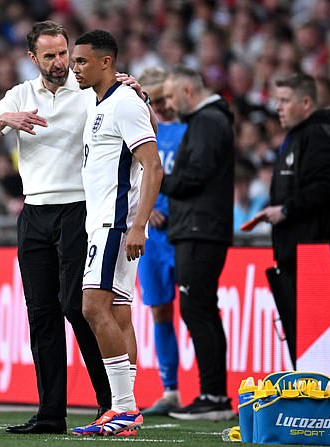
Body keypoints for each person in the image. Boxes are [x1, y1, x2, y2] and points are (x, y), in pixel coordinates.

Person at [0, 21, 111, 435]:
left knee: (75, 307)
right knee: (41, 315)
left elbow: (123, 100)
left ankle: (109, 403)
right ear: (34, 59)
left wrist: (132, 87)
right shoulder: (20, 95)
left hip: (76, 209)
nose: (60, 62)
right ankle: (51, 413)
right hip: (34, 213)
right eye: (50, 55)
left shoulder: (87, 90)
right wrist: (5, 119)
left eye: (63, 53)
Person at [70, 30, 163, 436]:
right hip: (105, 223)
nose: (75, 69)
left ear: (106, 62)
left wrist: (138, 224)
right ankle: (127, 411)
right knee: (120, 313)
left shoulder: (124, 103)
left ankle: (122, 407)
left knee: (93, 307)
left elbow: (153, 165)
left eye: (82, 62)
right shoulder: (103, 103)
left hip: (115, 224)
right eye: (74, 62)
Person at [252, 72, 330, 366]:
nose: (278, 107)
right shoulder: (297, 137)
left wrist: (286, 210)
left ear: (305, 103)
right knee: (303, 341)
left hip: (321, 259)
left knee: (319, 343)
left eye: (285, 100)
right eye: (277, 100)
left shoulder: (317, 135)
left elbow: (326, 186)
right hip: (301, 256)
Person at [161, 65, 236, 421]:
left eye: (173, 97)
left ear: (188, 92)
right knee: (202, 308)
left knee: (197, 308)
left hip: (199, 229)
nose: (170, 105)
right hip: (201, 227)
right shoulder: (212, 121)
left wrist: (160, 179)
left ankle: (213, 395)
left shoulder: (207, 122)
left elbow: (195, 174)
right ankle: (215, 395)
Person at [135, 67, 187, 416]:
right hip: (151, 238)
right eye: (153, 98)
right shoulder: (136, 131)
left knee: (195, 309)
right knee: (159, 310)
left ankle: (211, 390)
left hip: (183, 233)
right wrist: (145, 207)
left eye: (165, 97)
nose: (162, 105)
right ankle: (171, 390)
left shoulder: (189, 130)